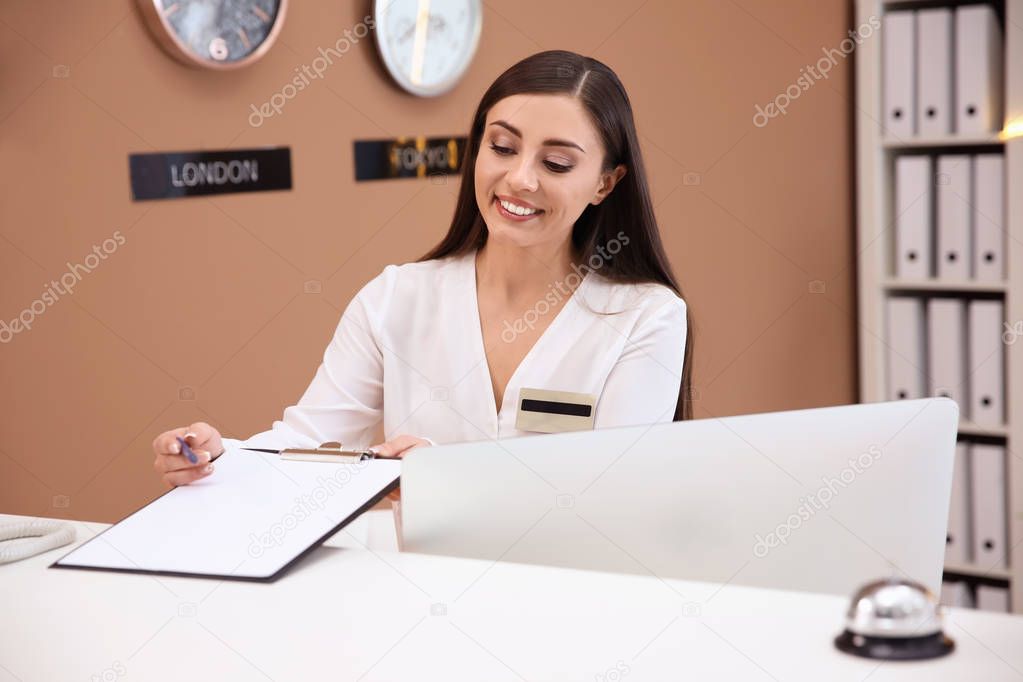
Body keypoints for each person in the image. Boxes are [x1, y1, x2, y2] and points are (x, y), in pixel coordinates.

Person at [151, 50, 694, 498]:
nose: (519, 178)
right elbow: (310, 448)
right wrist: (221, 457)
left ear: (605, 183)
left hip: (565, 606)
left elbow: (620, 496)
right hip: (410, 596)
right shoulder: (394, 298)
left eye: (556, 164)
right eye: (502, 147)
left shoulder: (648, 317)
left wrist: (449, 476)